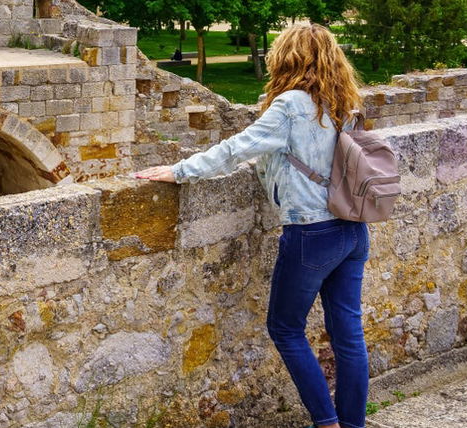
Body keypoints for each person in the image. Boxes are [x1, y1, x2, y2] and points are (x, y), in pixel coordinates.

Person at [135, 24, 368, 428]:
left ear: (287, 57)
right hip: (353, 227)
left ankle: (326, 423)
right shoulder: (343, 101)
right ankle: (352, 424)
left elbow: (236, 148)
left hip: (311, 232)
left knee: (285, 328)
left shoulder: (292, 105)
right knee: (348, 334)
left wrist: (179, 170)